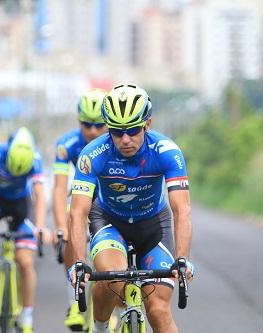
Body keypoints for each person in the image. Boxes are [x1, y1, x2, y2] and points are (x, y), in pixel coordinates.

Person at [68, 84, 195, 333]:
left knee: (158, 310)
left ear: (147, 124)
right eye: (117, 132)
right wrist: (79, 262)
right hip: (109, 221)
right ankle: (100, 327)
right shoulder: (92, 154)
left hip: (153, 225)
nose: (125, 139)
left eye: (133, 130)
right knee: (113, 276)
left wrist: (182, 259)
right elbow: (78, 213)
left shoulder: (168, 152)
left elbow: (182, 210)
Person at [0, 127, 51, 333]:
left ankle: (26, 316)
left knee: (25, 262)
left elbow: (40, 196)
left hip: (21, 207)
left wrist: (42, 226)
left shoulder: (35, 160)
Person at [52, 88, 108, 331]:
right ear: (78, 121)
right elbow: (59, 188)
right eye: (87, 124)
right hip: (82, 195)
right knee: (68, 221)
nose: (93, 131)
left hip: (109, 199)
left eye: (99, 125)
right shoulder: (67, 144)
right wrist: (60, 228)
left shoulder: (116, 143)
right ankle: (74, 297)